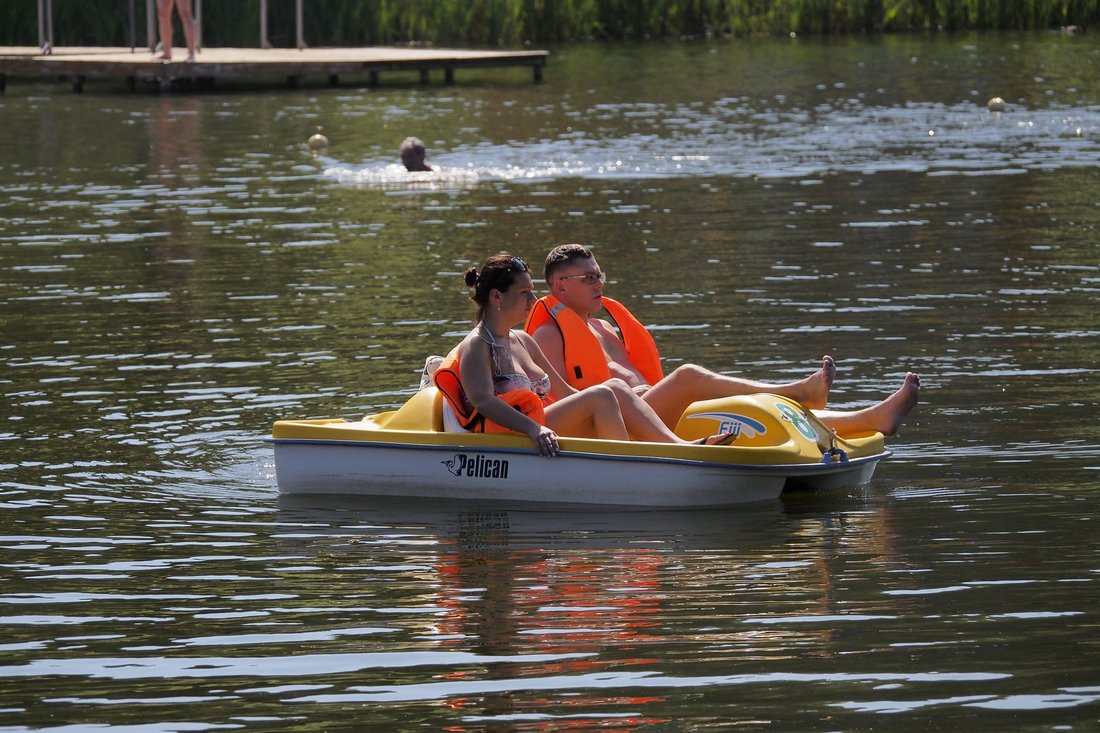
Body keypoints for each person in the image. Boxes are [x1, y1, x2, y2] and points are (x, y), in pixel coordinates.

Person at [526, 244, 921, 437]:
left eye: (600, 275)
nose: (599, 283)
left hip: (649, 412)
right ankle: (797, 390)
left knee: (736, 405)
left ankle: (870, 418)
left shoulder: (604, 328)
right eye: (588, 278)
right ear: (559, 287)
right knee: (688, 377)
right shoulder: (546, 334)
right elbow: (560, 403)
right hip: (609, 427)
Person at [433, 254, 737, 457]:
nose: (534, 299)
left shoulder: (523, 340)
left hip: (539, 427)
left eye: (533, 290)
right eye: (525, 293)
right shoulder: (476, 345)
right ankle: (631, 469)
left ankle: (679, 449)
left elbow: (568, 394)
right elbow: (484, 402)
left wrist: (625, 402)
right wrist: (534, 428)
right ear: (497, 297)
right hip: (511, 437)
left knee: (612, 389)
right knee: (603, 396)